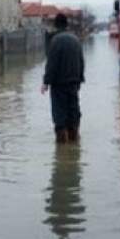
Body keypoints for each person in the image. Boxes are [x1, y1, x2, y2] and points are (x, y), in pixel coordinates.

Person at [41, 13, 85, 143]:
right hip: (74, 83)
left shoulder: (55, 41)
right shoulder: (76, 40)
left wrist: (46, 82)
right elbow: (81, 61)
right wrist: (80, 79)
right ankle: (74, 141)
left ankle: (62, 149)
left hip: (59, 84)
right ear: (67, 24)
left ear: (56, 25)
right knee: (73, 113)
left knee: (60, 116)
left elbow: (51, 64)